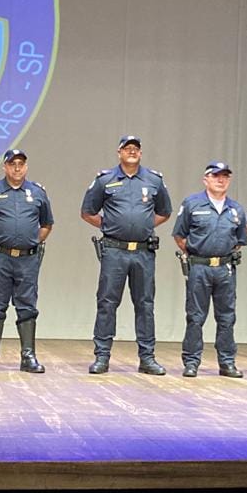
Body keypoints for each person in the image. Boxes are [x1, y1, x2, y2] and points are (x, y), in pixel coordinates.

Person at [80, 135, 172, 375]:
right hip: (114, 251)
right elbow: (87, 212)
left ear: (140, 153)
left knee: (145, 305)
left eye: (136, 149)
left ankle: (147, 358)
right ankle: (102, 357)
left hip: (143, 252)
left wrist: (143, 225)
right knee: (107, 303)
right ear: (119, 152)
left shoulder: (154, 180)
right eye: (127, 148)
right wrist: (109, 226)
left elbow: (165, 212)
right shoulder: (105, 180)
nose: (132, 151)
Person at [0, 149, 53, 373]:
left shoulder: (37, 192)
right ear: (5, 167)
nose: (17, 168)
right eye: (12, 164)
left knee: (27, 307)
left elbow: (47, 224)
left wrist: (32, 242)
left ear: (26, 167)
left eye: (21, 164)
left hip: (28, 259)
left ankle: (28, 357)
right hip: (0, 257)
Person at [171, 161, 247, 378]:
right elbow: (180, 236)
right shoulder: (192, 204)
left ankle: (227, 363)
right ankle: (191, 362)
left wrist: (220, 256)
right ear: (206, 179)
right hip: (200, 267)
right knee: (195, 317)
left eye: (225, 176)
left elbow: (239, 241)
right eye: (216, 176)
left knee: (227, 317)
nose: (221, 180)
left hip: (225, 269)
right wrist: (198, 254)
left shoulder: (236, 209)